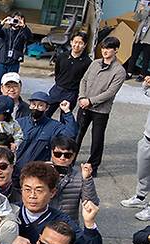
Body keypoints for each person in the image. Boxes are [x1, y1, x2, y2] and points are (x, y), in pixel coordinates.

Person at [17, 161, 102, 244]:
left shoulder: (62, 221)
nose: (32, 195)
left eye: (39, 190)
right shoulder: (11, 211)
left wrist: (89, 225)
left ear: (52, 193)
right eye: (27, 190)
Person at [76, 36, 126, 178]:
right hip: (84, 105)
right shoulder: (95, 63)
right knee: (77, 134)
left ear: (116, 50)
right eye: (103, 48)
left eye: (109, 48)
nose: (105, 51)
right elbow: (84, 80)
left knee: (97, 139)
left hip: (101, 110)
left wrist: (90, 101)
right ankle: (70, 159)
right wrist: (82, 97)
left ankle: (93, 166)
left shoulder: (119, 71)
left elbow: (110, 92)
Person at [14, 92, 77, 181]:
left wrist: (67, 112)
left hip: (37, 172)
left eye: (40, 105)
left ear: (46, 108)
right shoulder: (19, 123)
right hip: (16, 170)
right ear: (29, 105)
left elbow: (70, 134)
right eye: (33, 104)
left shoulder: (53, 126)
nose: (36, 108)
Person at [49, 136, 99, 223]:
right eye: (58, 154)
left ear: (73, 156)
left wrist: (87, 179)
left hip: (69, 225)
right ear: (51, 153)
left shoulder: (80, 176)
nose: (62, 158)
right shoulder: (41, 172)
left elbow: (91, 203)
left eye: (67, 155)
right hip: (45, 224)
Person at [121, 76, 150, 219]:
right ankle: (140, 197)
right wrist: (145, 85)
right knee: (143, 170)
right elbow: (147, 92)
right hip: (147, 138)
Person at [47, 32, 91, 117]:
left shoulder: (87, 62)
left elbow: (85, 79)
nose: (77, 45)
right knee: (46, 113)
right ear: (71, 42)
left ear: (85, 45)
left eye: (80, 43)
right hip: (57, 89)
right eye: (75, 42)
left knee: (65, 118)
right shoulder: (62, 56)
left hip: (71, 93)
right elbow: (57, 71)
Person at [0, 12, 32, 89]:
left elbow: (29, 38)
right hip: (2, 61)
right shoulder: (5, 31)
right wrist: (2, 22)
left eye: (19, 19)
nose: (16, 21)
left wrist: (24, 27)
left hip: (14, 62)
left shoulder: (23, 32)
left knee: (12, 83)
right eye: (15, 19)